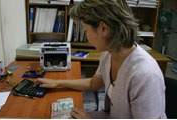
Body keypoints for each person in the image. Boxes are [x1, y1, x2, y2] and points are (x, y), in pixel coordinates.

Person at [36, 0, 167, 118]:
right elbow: (94, 83)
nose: (86, 37)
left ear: (103, 28)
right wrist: (57, 83)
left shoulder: (145, 75)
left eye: (86, 31)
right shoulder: (109, 53)